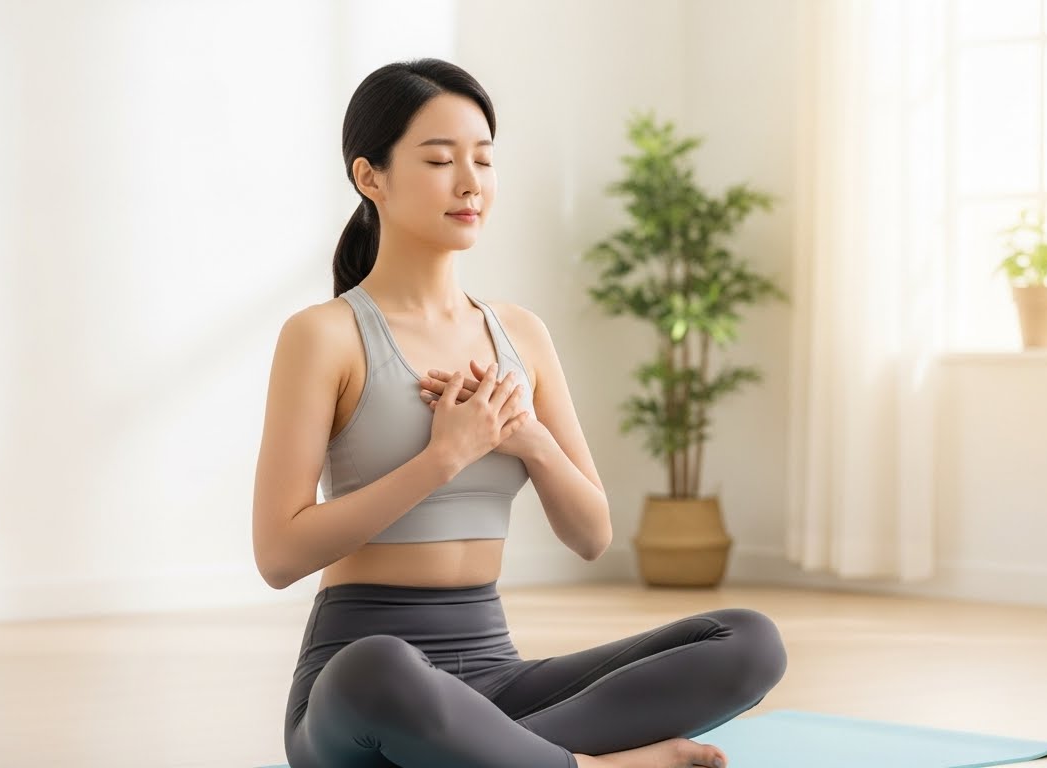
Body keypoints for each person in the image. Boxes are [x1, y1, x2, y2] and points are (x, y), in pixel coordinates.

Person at [252, 58, 788, 768]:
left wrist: (530, 441)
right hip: (365, 691)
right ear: (369, 177)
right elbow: (279, 555)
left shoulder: (519, 335)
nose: (470, 182)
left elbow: (592, 534)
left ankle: (494, 757)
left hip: (498, 681)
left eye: (483, 159)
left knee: (748, 640)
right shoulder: (324, 335)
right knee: (374, 669)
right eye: (440, 160)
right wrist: (444, 456)